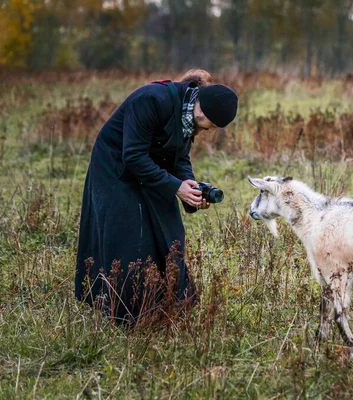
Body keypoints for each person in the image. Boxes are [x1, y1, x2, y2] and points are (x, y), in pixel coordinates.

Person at [75, 69, 238, 323]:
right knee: (130, 231)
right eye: (212, 125)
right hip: (115, 167)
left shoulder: (188, 114)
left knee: (170, 229)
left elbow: (179, 157)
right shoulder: (151, 100)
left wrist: (188, 187)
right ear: (203, 111)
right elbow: (133, 156)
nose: (209, 130)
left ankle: (169, 303)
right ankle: (125, 312)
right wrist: (175, 187)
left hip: (147, 165)